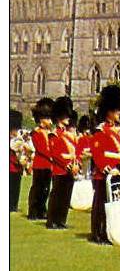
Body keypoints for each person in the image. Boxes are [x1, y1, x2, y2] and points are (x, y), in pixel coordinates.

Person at [89, 84, 120, 244]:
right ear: (109, 112)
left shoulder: (119, 131)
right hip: (104, 174)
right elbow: (98, 153)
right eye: (117, 110)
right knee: (101, 205)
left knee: (115, 204)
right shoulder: (100, 131)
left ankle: (111, 231)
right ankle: (98, 233)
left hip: (119, 172)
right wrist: (108, 169)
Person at [47, 97, 79, 230]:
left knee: (66, 196)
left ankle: (61, 220)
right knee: (57, 196)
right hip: (60, 170)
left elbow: (74, 152)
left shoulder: (69, 134)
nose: (68, 118)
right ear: (60, 117)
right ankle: (52, 220)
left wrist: (75, 164)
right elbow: (55, 154)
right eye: (66, 115)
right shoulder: (54, 134)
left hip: (70, 170)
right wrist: (67, 165)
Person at [27, 97, 55, 221]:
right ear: (41, 119)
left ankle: (42, 210)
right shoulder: (36, 132)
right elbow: (42, 149)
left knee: (45, 189)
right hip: (40, 164)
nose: (50, 121)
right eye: (48, 118)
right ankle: (33, 211)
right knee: (37, 189)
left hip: (48, 165)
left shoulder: (49, 132)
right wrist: (52, 155)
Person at [10, 109, 25, 212]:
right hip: (11, 167)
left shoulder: (17, 139)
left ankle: (14, 205)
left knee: (16, 187)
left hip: (17, 167)